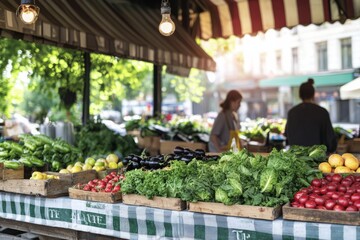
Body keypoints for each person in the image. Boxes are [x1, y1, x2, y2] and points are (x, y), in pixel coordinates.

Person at [284, 78, 337, 152]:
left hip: (296, 158)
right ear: (313, 95)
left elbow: (287, 135)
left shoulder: (292, 112)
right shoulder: (322, 112)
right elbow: (330, 139)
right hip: (317, 159)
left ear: (300, 95)